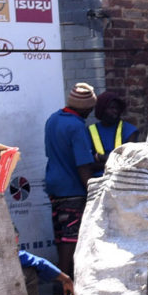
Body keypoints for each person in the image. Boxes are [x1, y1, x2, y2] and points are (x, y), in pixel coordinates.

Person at [42, 82, 98, 279]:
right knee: (71, 236)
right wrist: (93, 190)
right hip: (72, 188)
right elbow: (82, 164)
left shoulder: (53, 119)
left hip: (54, 185)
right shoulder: (76, 126)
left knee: (60, 234)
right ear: (87, 107)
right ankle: (65, 279)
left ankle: (61, 276)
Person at [71, 91, 137, 183]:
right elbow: (87, 165)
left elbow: (128, 162)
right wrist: (114, 159)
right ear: (102, 109)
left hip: (122, 181)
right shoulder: (89, 131)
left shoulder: (129, 130)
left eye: (117, 108)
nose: (115, 111)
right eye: (111, 108)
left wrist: (100, 158)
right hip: (99, 182)